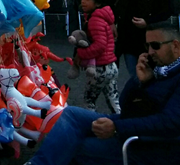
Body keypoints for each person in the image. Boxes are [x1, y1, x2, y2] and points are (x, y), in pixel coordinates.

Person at [29, 21, 180, 165]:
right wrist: (139, 81)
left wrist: (117, 127)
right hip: (131, 124)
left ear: (176, 46)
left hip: (152, 146)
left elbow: (169, 123)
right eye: (147, 46)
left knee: (75, 145)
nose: (150, 52)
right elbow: (125, 104)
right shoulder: (158, 70)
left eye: (155, 46)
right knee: (71, 115)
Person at [76, 0, 120, 113]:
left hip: (99, 67)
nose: (83, 1)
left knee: (89, 100)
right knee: (113, 98)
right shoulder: (104, 18)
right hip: (111, 65)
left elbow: (100, 45)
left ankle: (90, 126)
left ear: (98, 2)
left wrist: (81, 53)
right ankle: (121, 125)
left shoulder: (94, 20)